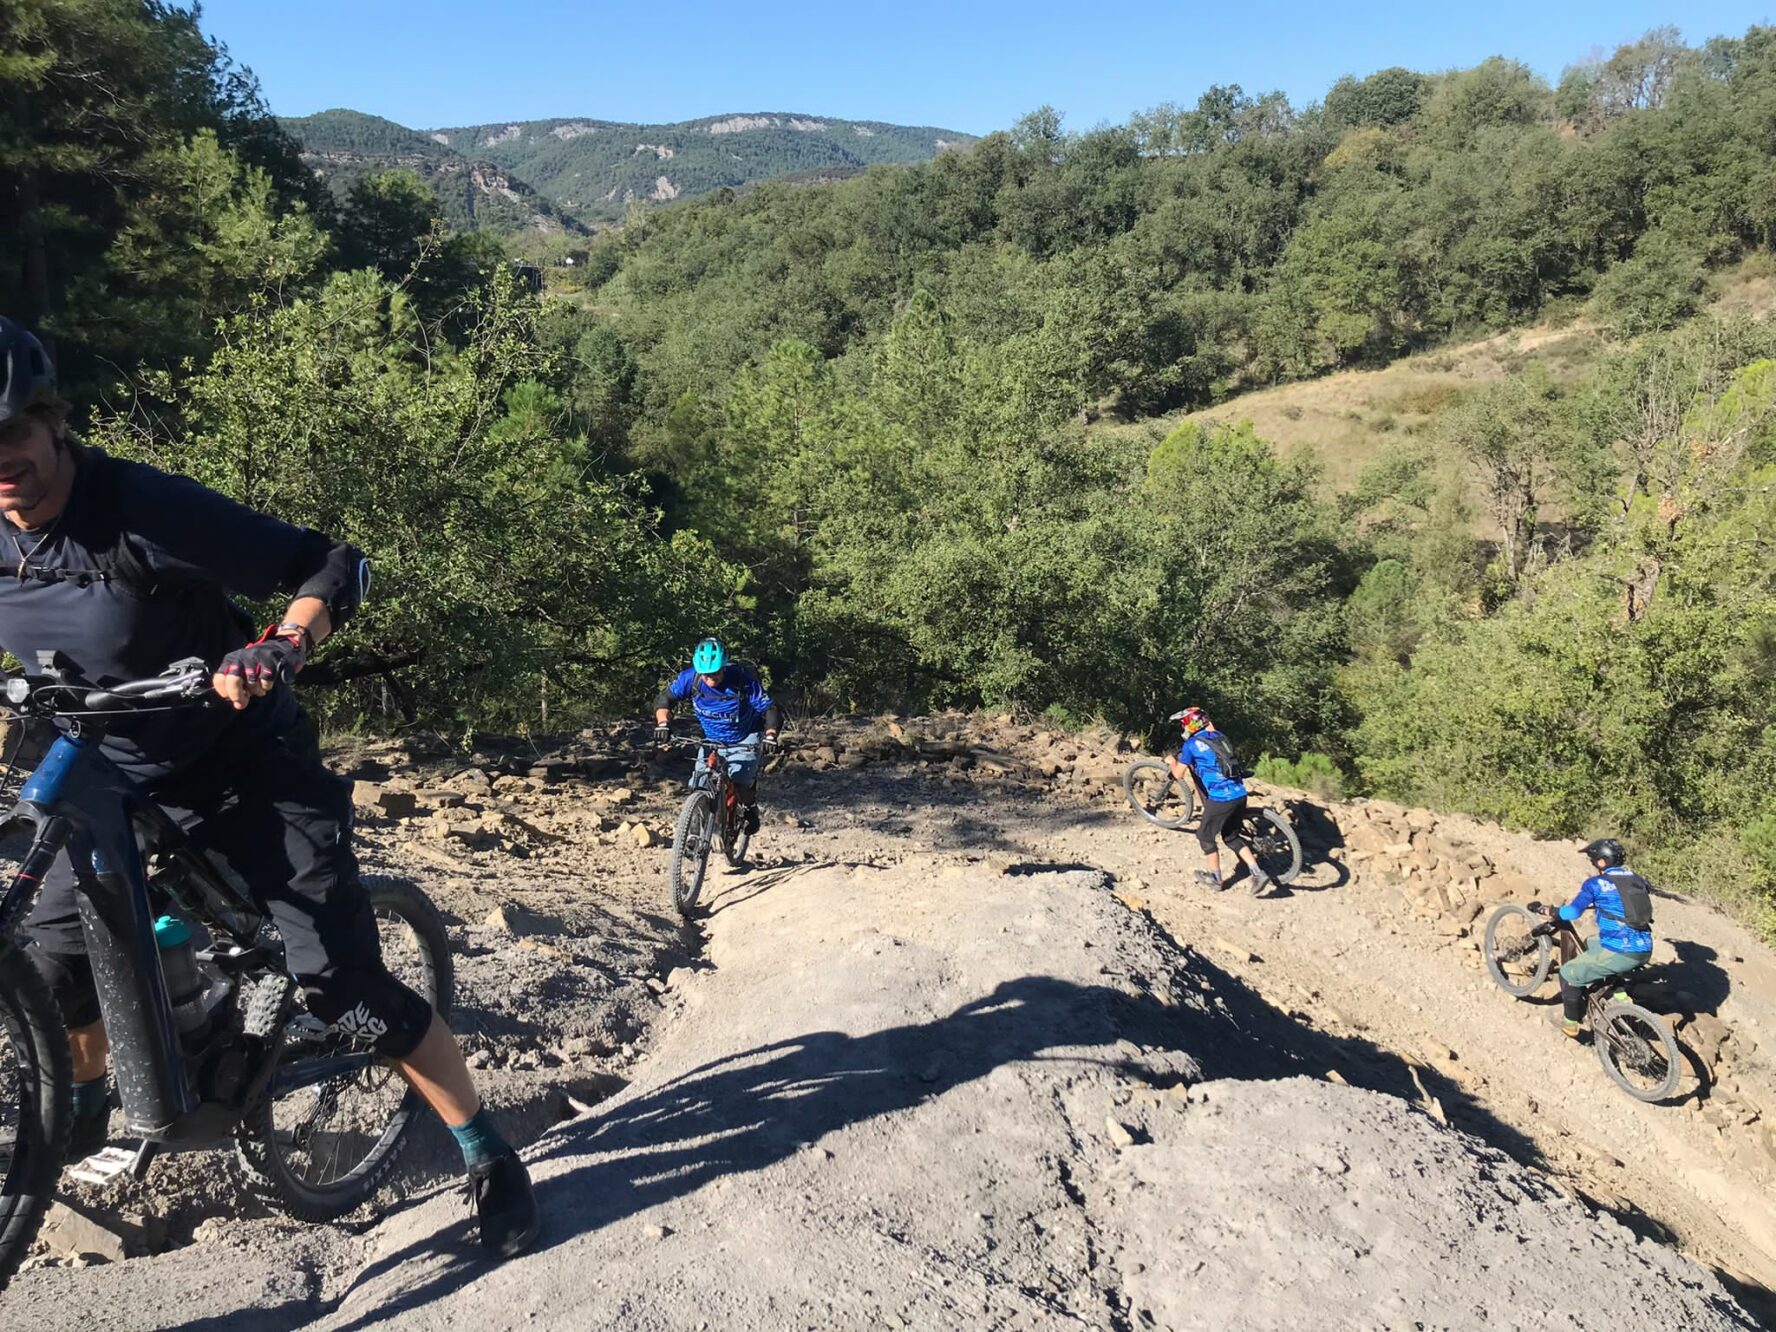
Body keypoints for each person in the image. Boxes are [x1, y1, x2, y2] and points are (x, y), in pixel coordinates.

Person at [0, 318, 538, 1257]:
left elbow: (331, 564)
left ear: (53, 423)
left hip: (241, 765)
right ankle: (78, 1111)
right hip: (102, 771)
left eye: (11, 433)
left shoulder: (138, 510)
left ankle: (484, 1149)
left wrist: (279, 648)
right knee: (48, 964)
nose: (2, 462)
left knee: (339, 988)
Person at [653, 638, 781, 833]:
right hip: (711, 737)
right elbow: (665, 699)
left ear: (724, 667)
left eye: (715, 672)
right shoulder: (690, 679)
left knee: (741, 779)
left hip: (745, 736)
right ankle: (694, 834)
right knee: (699, 782)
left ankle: (749, 807)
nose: (710, 678)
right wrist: (663, 724)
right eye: (706, 674)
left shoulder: (742, 680)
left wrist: (770, 735)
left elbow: (770, 709)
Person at [1534, 837, 1655, 1040]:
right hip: (1644, 947)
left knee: (1567, 973)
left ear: (1601, 861)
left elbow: (1572, 913)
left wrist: (1548, 910)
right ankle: (1620, 995)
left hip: (1621, 951)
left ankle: (1571, 1023)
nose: (1593, 865)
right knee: (1591, 942)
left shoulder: (1596, 884)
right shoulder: (1636, 878)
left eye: (1593, 861)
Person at [1167, 706, 1273, 896]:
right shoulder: (1220, 736)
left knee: (1205, 837)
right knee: (1230, 836)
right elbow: (1210, 729)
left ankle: (1216, 879)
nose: (1183, 727)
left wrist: (1172, 762)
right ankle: (1258, 873)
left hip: (1221, 798)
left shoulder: (1190, 745)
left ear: (1190, 725)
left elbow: (1178, 775)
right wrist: (1201, 713)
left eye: (1183, 724)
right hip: (1240, 793)